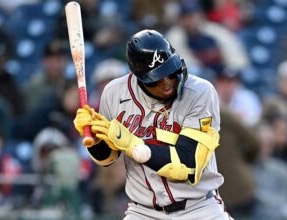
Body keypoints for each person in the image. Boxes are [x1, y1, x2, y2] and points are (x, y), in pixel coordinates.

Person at [73, 29, 233, 219]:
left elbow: (187, 162)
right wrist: (94, 136)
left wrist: (131, 143)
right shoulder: (114, 93)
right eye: (156, 80)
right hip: (144, 211)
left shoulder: (199, 92)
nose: (167, 84)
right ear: (138, 78)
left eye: (171, 73)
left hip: (198, 208)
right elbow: (107, 158)